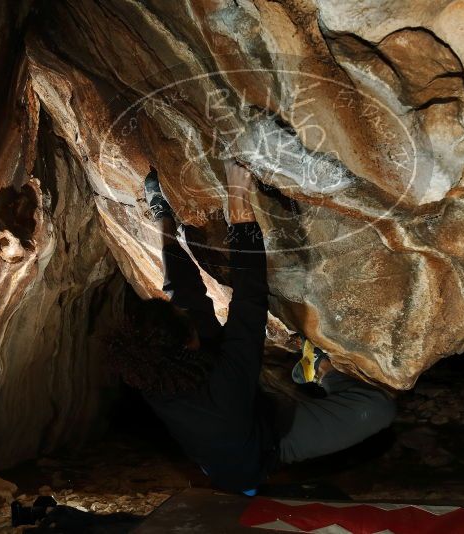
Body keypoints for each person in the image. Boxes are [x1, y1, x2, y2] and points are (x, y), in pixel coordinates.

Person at [107, 160, 396, 495]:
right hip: (266, 446)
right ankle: (319, 369)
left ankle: (164, 218)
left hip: (225, 420)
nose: (187, 316)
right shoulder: (225, 385)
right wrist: (238, 201)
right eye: (187, 324)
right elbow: (250, 299)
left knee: (186, 297)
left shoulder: (152, 368)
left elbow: (180, 290)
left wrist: (165, 222)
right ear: (189, 344)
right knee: (378, 409)